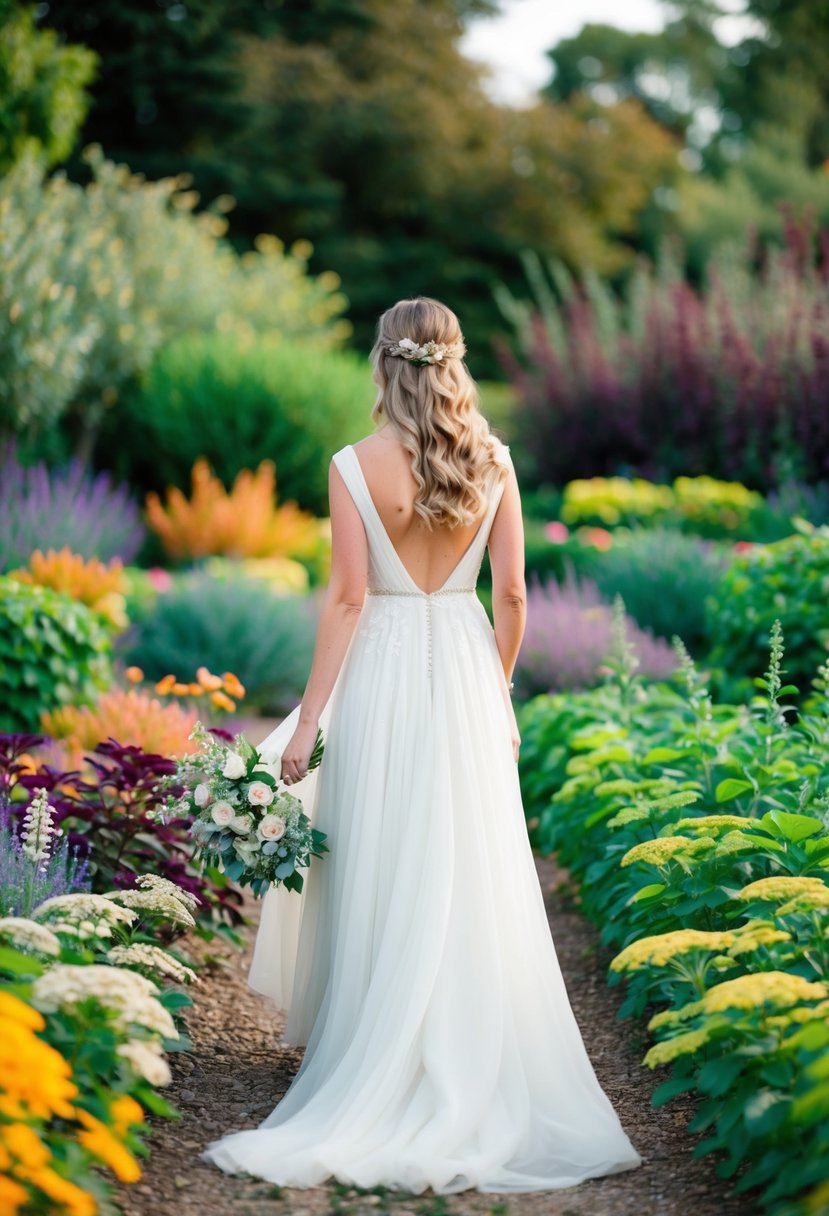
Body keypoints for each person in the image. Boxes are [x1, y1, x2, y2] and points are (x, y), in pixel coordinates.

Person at [202, 297, 642, 1193]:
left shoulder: (352, 465)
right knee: (471, 860)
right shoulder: (496, 459)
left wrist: (310, 718)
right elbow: (512, 595)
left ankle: (374, 1042)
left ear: (383, 364)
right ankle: (471, 1043)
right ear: (454, 363)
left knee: (383, 851)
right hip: (469, 676)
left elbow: (349, 599)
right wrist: (500, 685)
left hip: (385, 673)